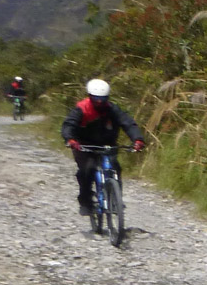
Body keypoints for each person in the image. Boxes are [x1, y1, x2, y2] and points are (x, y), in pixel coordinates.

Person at [61, 78, 148, 212]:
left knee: (116, 168)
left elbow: (128, 123)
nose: (100, 102)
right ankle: (85, 201)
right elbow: (69, 125)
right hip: (84, 146)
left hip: (108, 144)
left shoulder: (112, 109)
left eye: (103, 99)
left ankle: (115, 199)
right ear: (90, 97)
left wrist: (137, 139)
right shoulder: (82, 109)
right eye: (96, 99)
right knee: (87, 170)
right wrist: (71, 139)